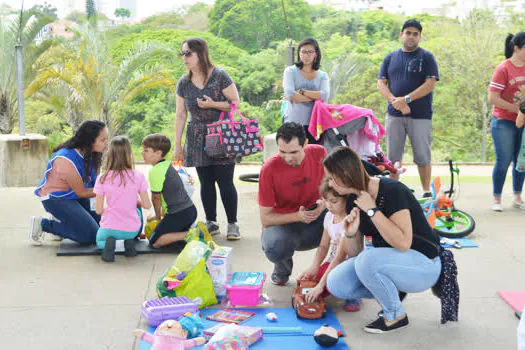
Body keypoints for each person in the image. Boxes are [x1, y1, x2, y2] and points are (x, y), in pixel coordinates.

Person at [321, 146, 442, 334]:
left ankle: (395, 315)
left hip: (424, 265)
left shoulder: (392, 190)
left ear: (344, 175)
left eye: (331, 178)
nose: (329, 183)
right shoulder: (354, 199)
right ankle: (392, 294)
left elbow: (403, 243)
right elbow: (355, 254)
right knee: (337, 282)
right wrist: (352, 233)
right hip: (393, 264)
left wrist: (372, 211)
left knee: (367, 260)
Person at [174, 37, 241, 240]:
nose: (184, 58)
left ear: (200, 54)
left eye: (188, 53)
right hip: (196, 136)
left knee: (225, 181)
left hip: (220, 134)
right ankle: (211, 222)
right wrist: (177, 144)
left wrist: (214, 104)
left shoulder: (219, 76)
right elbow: (180, 114)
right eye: (182, 54)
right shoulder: (183, 83)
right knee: (206, 182)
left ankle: (232, 223)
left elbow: (236, 104)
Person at [259, 122, 327, 285]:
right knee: (275, 247)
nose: (288, 157)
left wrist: (324, 204)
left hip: (318, 217)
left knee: (349, 217)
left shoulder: (319, 153)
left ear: (305, 144)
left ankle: (333, 272)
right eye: (282, 152)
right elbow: (266, 219)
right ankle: (282, 267)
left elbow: (332, 186)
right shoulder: (269, 169)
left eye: (294, 152)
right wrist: (298, 216)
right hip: (286, 223)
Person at [377, 19, 439, 198]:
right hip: (394, 115)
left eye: (415, 33)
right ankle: (392, 194)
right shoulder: (390, 57)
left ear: (419, 36)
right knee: (393, 158)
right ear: (401, 34)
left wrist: (407, 99)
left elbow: (430, 84)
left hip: (420, 116)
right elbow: (381, 82)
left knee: (422, 155)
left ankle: (426, 191)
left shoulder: (426, 57)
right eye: (408, 32)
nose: (411, 36)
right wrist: (394, 101)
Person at [29, 120, 108, 245]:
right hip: (57, 199)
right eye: (102, 140)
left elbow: (95, 184)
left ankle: (67, 220)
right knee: (91, 235)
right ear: (89, 140)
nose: (106, 143)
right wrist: (110, 188)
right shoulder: (65, 160)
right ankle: (44, 224)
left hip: (74, 196)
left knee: (105, 225)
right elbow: (82, 192)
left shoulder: (92, 154)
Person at [298, 179, 362, 312]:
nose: (329, 205)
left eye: (334, 201)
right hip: (333, 263)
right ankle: (338, 287)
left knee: (325, 286)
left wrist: (320, 286)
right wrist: (314, 267)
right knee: (310, 280)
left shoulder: (350, 222)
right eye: (326, 200)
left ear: (347, 200)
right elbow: (323, 246)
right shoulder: (328, 217)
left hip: (350, 266)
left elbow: (339, 258)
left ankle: (354, 291)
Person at [94, 136, 152, 262]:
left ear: (110, 154)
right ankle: (129, 243)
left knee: (100, 240)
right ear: (129, 154)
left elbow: (98, 210)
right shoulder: (138, 176)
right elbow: (147, 205)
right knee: (137, 210)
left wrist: (109, 209)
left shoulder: (102, 178)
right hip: (132, 229)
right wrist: (135, 202)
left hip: (109, 228)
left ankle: (109, 245)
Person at [488, 32, 525, 211]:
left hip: (523, 122)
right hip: (503, 122)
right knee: (503, 160)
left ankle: (518, 196)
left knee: (521, 160)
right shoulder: (503, 68)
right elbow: (493, 98)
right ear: (516, 48)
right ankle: (497, 198)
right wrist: (517, 110)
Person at [142, 134, 198, 249]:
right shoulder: (166, 164)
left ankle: (191, 234)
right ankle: (185, 234)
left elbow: (156, 198)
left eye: (146, 150)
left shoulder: (156, 171)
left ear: (158, 153)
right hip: (189, 212)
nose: (143, 153)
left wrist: (157, 217)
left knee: (154, 242)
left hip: (180, 214)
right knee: (170, 240)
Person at [282, 37, 330, 145]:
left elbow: (325, 95)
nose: (306, 55)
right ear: (299, 53)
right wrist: (315, 97)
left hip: (315, 124)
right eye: (303, 52)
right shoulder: (290, 71)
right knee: (293, 155)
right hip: (293, 122)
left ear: (316, 54)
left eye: (310, 52)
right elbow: (290, 95)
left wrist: (302, 92)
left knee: (313, 156)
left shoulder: (322, 75)